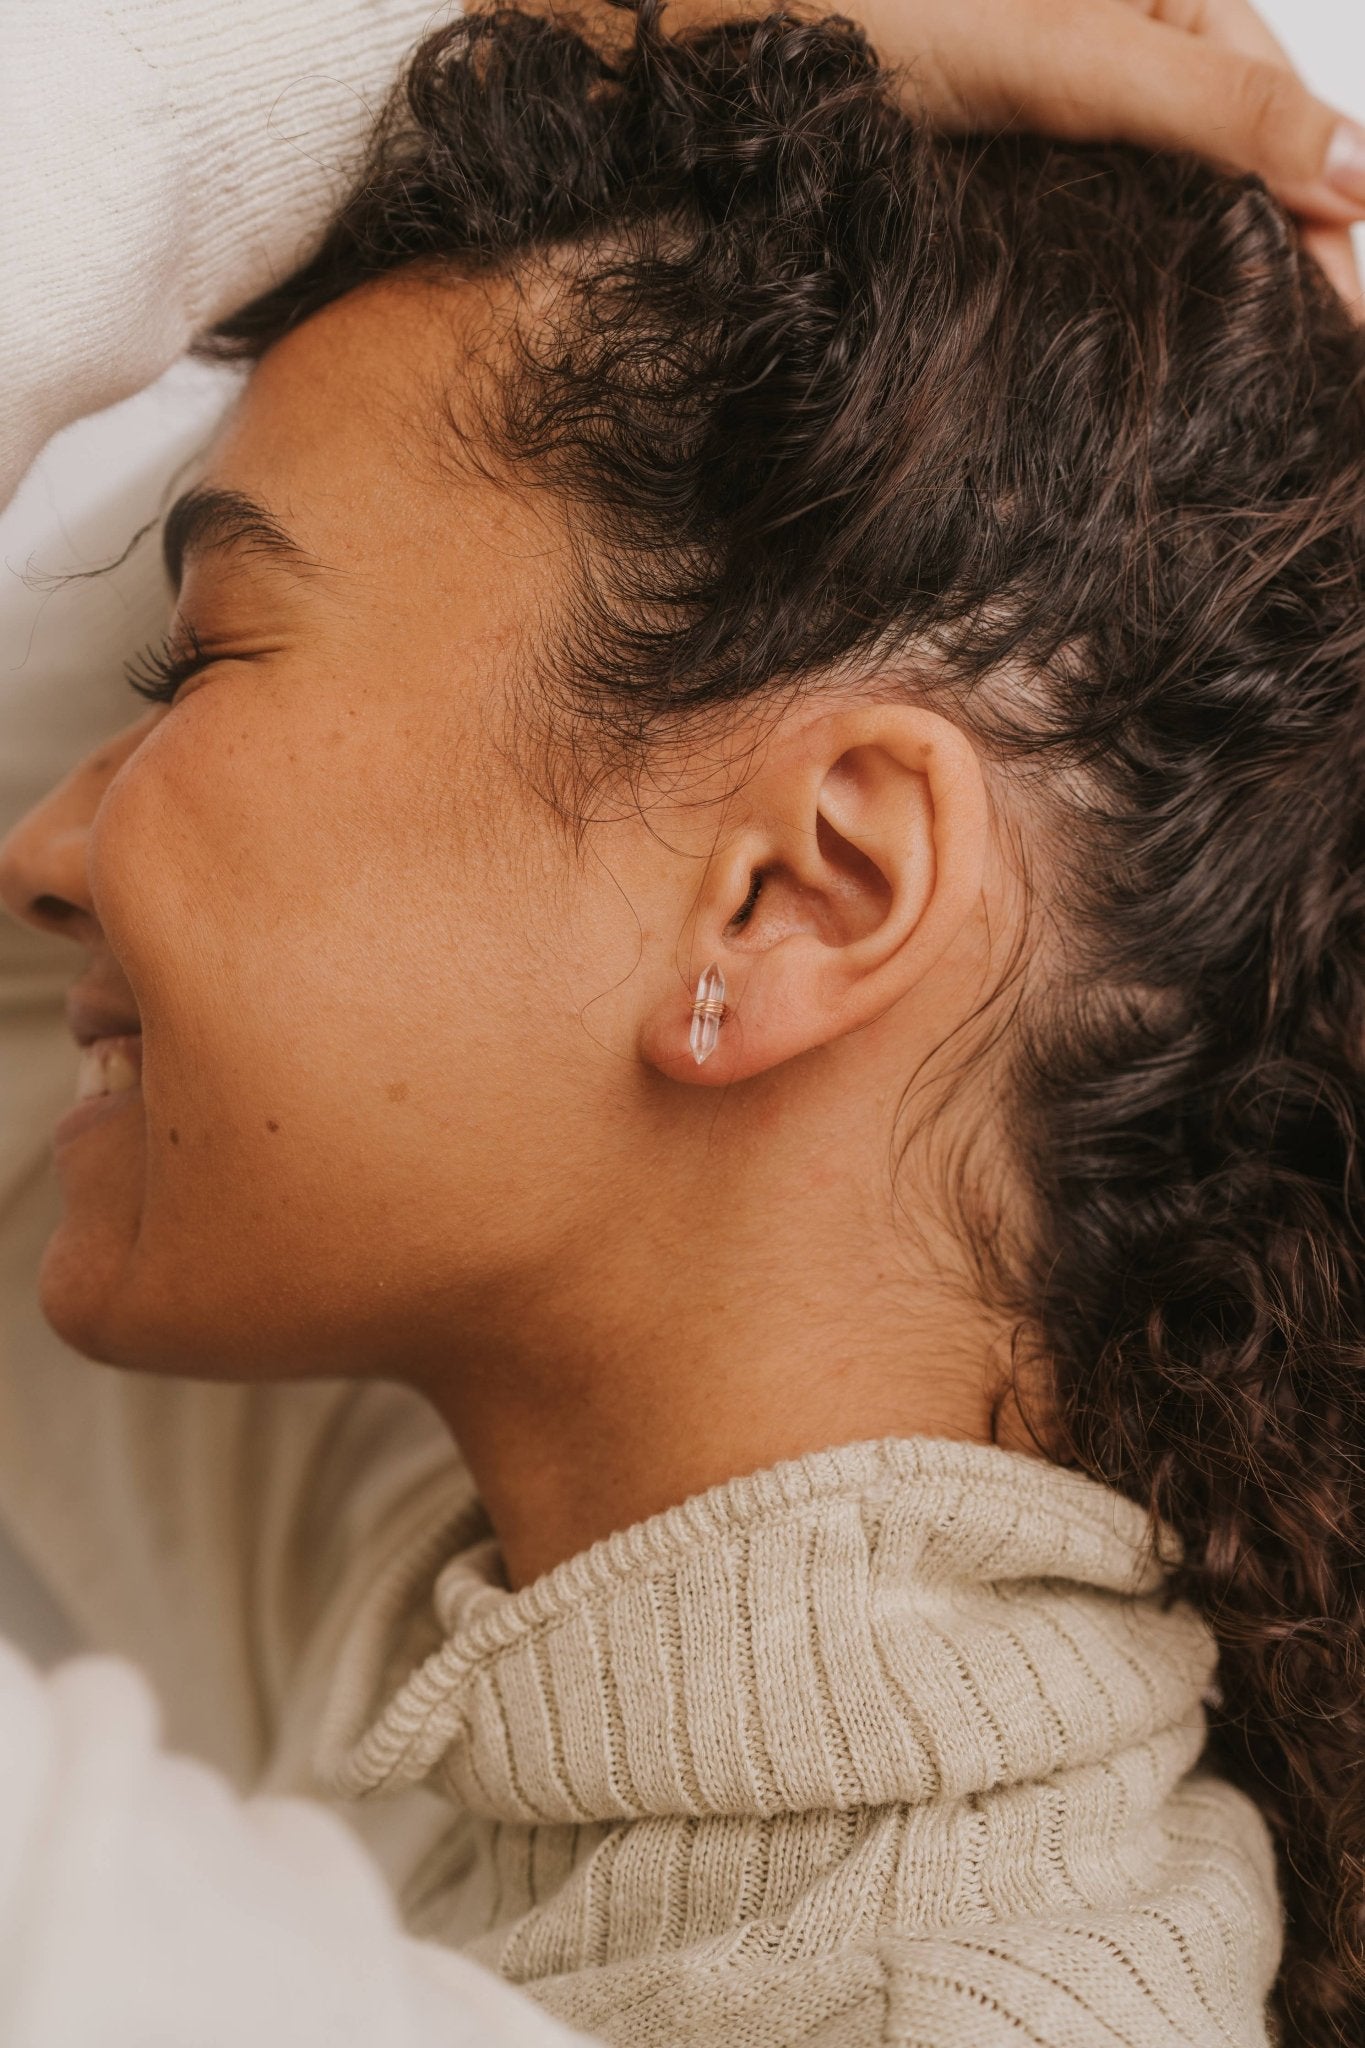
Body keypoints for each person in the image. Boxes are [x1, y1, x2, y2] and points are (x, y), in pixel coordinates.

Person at [0, 2, 1361, 2046]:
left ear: (798, 888)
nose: (42, 844)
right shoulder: (468, 1684)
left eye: (203, 660)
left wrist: (435, 52)